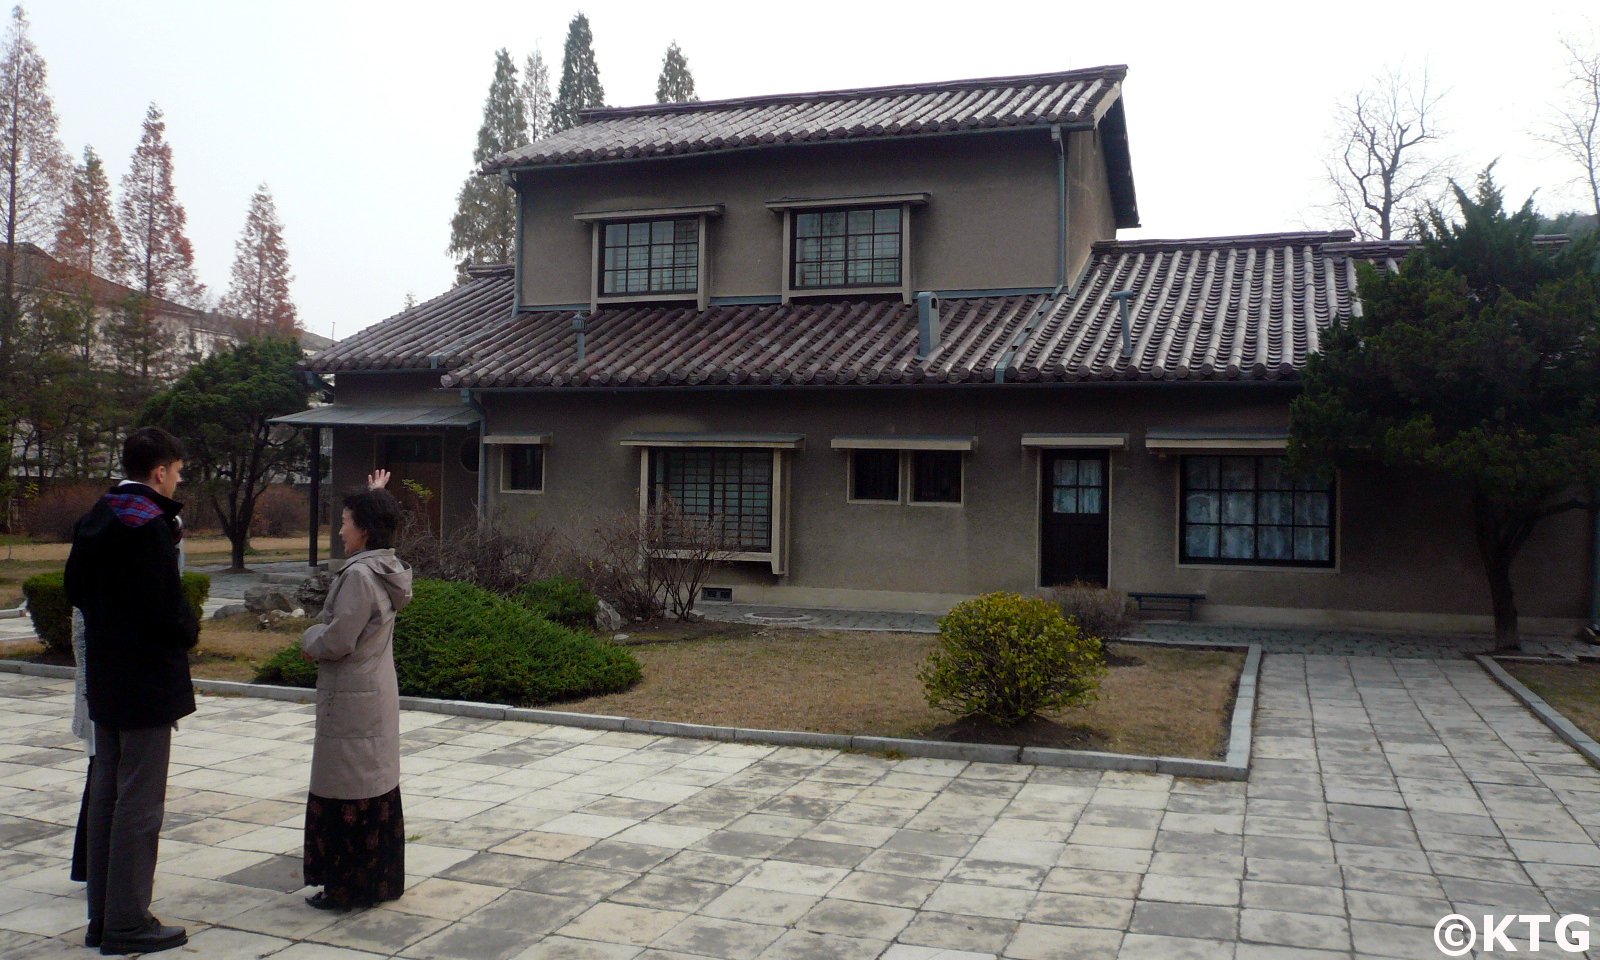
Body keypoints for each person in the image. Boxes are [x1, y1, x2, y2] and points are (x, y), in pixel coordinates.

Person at [64, 426, 198, 956]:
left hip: (106, 676)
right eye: (178, 472)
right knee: (141, 802)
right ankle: (127, 922)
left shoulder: (97, 516)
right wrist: (188, 630)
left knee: (106, 793)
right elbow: (169, 609)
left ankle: (102, 917)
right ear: (159, 471)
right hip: (146, 682)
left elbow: (75, 589)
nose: (177, 479)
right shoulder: (150, 526)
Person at [299, 481, 412, 910]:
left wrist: (309, 638)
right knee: (371, 783)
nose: (340, 530)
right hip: (373, 690)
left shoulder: (360, 576)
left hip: (352, 696)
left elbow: (339, 638)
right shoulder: (384, 567)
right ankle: (374, 881)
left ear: (364, 530)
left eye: (345, 522)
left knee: (347, 786)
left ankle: (348, 886)